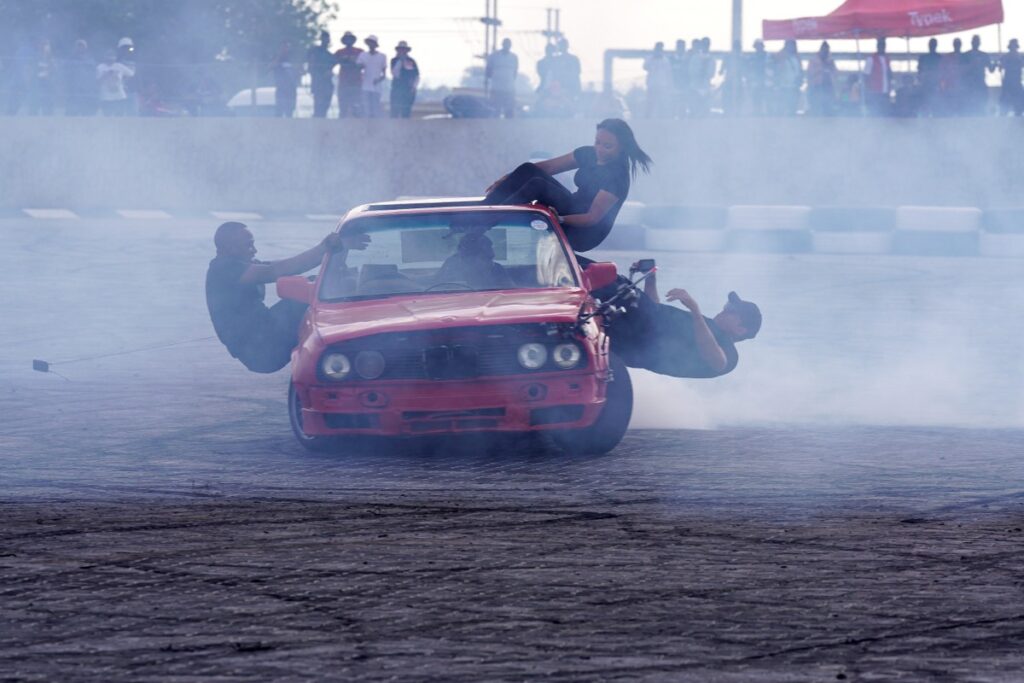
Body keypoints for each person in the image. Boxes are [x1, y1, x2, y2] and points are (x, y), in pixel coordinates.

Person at [205, 222, 368, 373]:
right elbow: (278, 270)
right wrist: (324, 247)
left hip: (263, 335)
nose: (254, 250)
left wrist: (338, 247)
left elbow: (286, 265)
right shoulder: (223, 269)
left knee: (316, 285)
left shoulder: (237, 265)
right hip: (259, 348)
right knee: (312, 296)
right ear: (228, 247)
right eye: (248, 245)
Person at [483, 118, 651, 253]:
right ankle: (483, 210)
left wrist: (559, 219)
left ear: (622, 148)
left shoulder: (618, 176)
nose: (599, 149)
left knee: (537, 183)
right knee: (529, 169)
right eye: (597, 142)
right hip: (572, 205)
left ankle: (483, 223)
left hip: (584, 231)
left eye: (607, 146)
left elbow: (592, 217)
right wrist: (509, 178)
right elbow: (547, 167)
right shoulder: (588, 153)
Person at [603, 267, 761, 379]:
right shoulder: (706, 326)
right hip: (639, 322)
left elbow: (717, 361)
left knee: (602, 277)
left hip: (634, 342)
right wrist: (651, 279)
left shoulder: (729, 354)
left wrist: (695, 310)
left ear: (740, 330)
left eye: (731, 311)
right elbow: (656, 313)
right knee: (600, 275)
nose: (724, 310)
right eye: (727, 306)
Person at [435, 231, 513, 289]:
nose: (491, 263)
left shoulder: (497, 269)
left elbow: (511, 294)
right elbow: (437, 289)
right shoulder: (451, 267)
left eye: (491, 258)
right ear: (468, 257)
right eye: (486, 258)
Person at [96, 49, 134, 116]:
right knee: (107, 116)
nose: (110, 59)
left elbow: (131, 74)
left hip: (119, 96)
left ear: (115, 58)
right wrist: (106, 75)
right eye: (108, 56)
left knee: (119, 116)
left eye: (112, 56)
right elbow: (97, 81)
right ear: (105, 57)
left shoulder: (119, 66)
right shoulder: (100, 67)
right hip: (106, 97)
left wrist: (124, 81)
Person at [486, 38, 518, 118]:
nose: (507, 46)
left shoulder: (514, 57)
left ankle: (509, 127)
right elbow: (488, 70)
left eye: (508, 44)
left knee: (509, 110)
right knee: (496, 109)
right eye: (505, 44)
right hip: (497, 87)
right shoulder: (494, 56)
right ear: (502, 44)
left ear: (510, 46)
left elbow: (515, 72)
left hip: (509, 87)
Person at [963, 35, 995, 115]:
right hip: (969, 83)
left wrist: (995, 63)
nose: (976, 43)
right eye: (974, 41)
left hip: (980, 81)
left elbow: (991, 70)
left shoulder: (984, 55)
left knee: (983, 99)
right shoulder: (966, 55)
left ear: (979, 43)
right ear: (972, 43)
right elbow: (962, 70)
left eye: (977, 41)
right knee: (969, 101)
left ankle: (981, 114)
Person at [334, 31, 363, 118]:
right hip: (344, 82)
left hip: (356, 82)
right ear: (344, 40)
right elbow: (331, 62)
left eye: (350, 39)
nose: (348, 41)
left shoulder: (359, 51)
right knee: (343, 106)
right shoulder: (339, 52)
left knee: (356, 105)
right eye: (347, 39)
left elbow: (363, 65)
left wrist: (351, 61)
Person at [64, 39, 97, 116]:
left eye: (82, 46)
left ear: (86, 48)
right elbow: (66, 70)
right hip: (73, 86)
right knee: (72, 107)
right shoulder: (70, 58)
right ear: (76, 47)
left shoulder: (90, 58)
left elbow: (93, 71)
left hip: (86, 86)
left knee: (86, 107)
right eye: (79, 46)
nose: (80, 48)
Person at [357, 35, 387, 118]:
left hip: (376, 87)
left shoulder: (382, 56)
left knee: (375, 108)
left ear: (375, 44)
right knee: (366, 109)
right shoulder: (363, 55)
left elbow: (384, 74)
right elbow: (358, 68)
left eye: (372, 43)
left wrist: (378, 80)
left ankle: (375, 127)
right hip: (365, 86)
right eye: (369, 43)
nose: (371, 44)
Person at [306, 31, 335, 118]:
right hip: (318, 82)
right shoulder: (314, 51)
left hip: (327, 83)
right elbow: (311, 66)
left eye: (327, 38)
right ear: (321, 39)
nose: (326, 40)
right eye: (324, 38)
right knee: (318, 104)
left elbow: (332, 66)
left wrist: (329, 73)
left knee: (325, 104)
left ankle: (322, 118)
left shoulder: (329, 55)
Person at [771, 39, 802, 116]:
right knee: (782, 105)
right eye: (790, 45)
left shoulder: (796, 57)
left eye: (793, 45)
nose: (792, 47)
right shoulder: (780, 56)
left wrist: (799, 79)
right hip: (783, 85)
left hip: (794, 85)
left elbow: (799, 70)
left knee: (793, 105)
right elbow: (776, 69)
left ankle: (791, 119)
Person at [806, 41, 837, 117]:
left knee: (828, 107)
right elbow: (810, 73)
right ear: (820, 50)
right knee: (816, 106)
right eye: (824, 50)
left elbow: (836, 73)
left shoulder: (830, 61)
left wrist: (830, 69)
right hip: (816, 86)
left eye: (827, 50)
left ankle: (828, 124)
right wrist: (821, 70)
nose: (826, 52)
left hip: (828, 87)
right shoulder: (813, 60)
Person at [389, 40, 419, 118]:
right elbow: (395, 73)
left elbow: (416, 75)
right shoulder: (394, 60)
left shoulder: (411, 61)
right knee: (395, 109)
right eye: (400, 49)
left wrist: (414, 86)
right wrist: (400, 61)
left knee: (406, 109)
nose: (402, 51)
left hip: (408, 88)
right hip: (397, 88)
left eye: (403, 49)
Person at [643, 42, 673, 118]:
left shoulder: (665, 60)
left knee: (662, 103)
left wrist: (669, 85)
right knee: (650, 103)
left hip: (662, 85)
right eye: (658, 48)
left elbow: (668, 73)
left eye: (660, 48)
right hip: (652, 84)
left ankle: (663, 119)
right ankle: (647, 119)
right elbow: (645, 67)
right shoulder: (650, 58)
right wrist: (653, 58)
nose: (659, 50)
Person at [863, 38, 892, 116]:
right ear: (877, 46)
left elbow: (889, 74)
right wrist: (868, 90)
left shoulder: (887, 58)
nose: (882, 47)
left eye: (884, 45)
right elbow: (866, 75)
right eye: (880, 45)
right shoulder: (871, 59)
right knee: (875, 112)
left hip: (885, 91)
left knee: (885, 112)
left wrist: (890, 87)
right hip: (874, 91)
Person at [270, 41, 298, 118]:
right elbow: (272, 66)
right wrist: (279, 56)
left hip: (291, 88)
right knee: (279, 109)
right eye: (283, 47)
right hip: (281, 88)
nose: (285, 49)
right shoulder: (276, 57)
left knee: (290, 111)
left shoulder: (293, 58)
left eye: (287, 47)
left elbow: (300, 70)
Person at [998, 39, 1024, 116]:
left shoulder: (1020, 57)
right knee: (1004, 102)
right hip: (1008, 82)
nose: (1013, 48)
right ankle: (1003, 115)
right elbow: (1000, 68)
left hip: (1016, 81)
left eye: (1014, 46)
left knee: (1019, 101)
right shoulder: (1005, 57)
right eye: (1012, 46)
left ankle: (1018, 113)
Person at [917, 38, 942, 117]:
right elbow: (919, 70)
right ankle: (924, 119)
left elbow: (942, 71)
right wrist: (920, 80)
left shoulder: (939, 57)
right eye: (931, 44)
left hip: (935, 85)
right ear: (929, 45)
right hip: (925, 84)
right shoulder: (923, 57)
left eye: (934, 44)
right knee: (925, 103)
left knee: (936, 104)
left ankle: (935, 120)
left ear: (936, 45)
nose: (932, 46)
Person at [744, 39, 769, 116]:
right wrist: (749, 79)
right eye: (757, 46)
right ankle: (756, 111)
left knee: (766, 97)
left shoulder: (768, 56)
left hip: (766, 81)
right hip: (755, 81)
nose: (758, 48)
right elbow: (748, 69)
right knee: (756, 97)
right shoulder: (752, 58)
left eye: (760, 46)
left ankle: (764, 112)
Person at [670, 39, 689, 118]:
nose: (681, 49)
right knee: (673, 105)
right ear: (676, 47)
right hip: (673, 86)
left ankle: (682, 120)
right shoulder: (671, 59)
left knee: (683, 105)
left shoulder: (688, 59)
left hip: (684, 86)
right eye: (679, 46)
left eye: (683, 47)